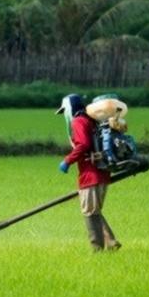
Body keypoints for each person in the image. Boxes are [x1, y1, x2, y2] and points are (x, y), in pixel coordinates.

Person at [55, 94, 122, 251]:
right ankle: (111, 243)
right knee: (94, 211)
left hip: (90, 175)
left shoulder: (79, 121)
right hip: (103, 173)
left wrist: (67, 161)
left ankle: (97, 248)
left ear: (70, 109)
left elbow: (83, 145)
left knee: (89, 212)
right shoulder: (92, 121)